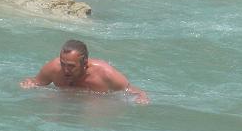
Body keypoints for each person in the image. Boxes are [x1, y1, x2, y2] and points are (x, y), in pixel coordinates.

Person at [20, 39, 150, 104]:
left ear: (85, 63)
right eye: (63, 64)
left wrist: (141, 96)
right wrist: (28, 83)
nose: (65, 70)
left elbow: (132, 90)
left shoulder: (106, 73)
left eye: (71, 66)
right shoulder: (54, 68)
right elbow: (35, 81)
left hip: (95, 101)